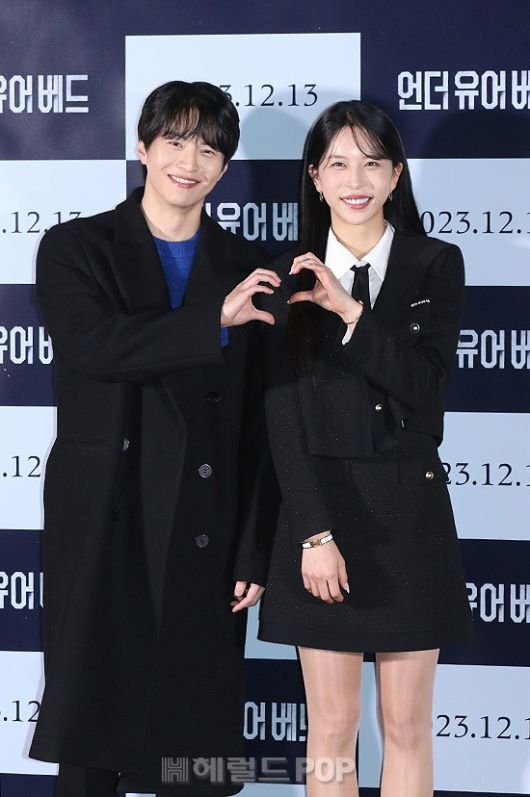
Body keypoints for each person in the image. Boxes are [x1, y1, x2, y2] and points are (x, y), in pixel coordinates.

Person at [30, 80, 279, 797]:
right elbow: (97, 346)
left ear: (225, 168)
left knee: (194, 754)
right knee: (91, 741)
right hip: (104, 520)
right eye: (174, 141)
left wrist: (254, 545)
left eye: (209, 149)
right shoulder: (76, 247)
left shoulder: (250, 268)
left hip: (204, 529)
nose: (188, 162)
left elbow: (264, 423)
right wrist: (212, 323)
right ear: (143, 148)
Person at [258, 100, 472, 797]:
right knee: (332, 726)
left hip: (409, 517)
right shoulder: (282, 279)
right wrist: (314, 533)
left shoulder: (435, 264)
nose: (356, 180)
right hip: (320, 518)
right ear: (315, 177)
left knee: (406, 726)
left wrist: (351, 312)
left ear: (396, 175)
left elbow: (425, 389)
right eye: (339, 164)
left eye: (373, 163)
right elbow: (282, 419)